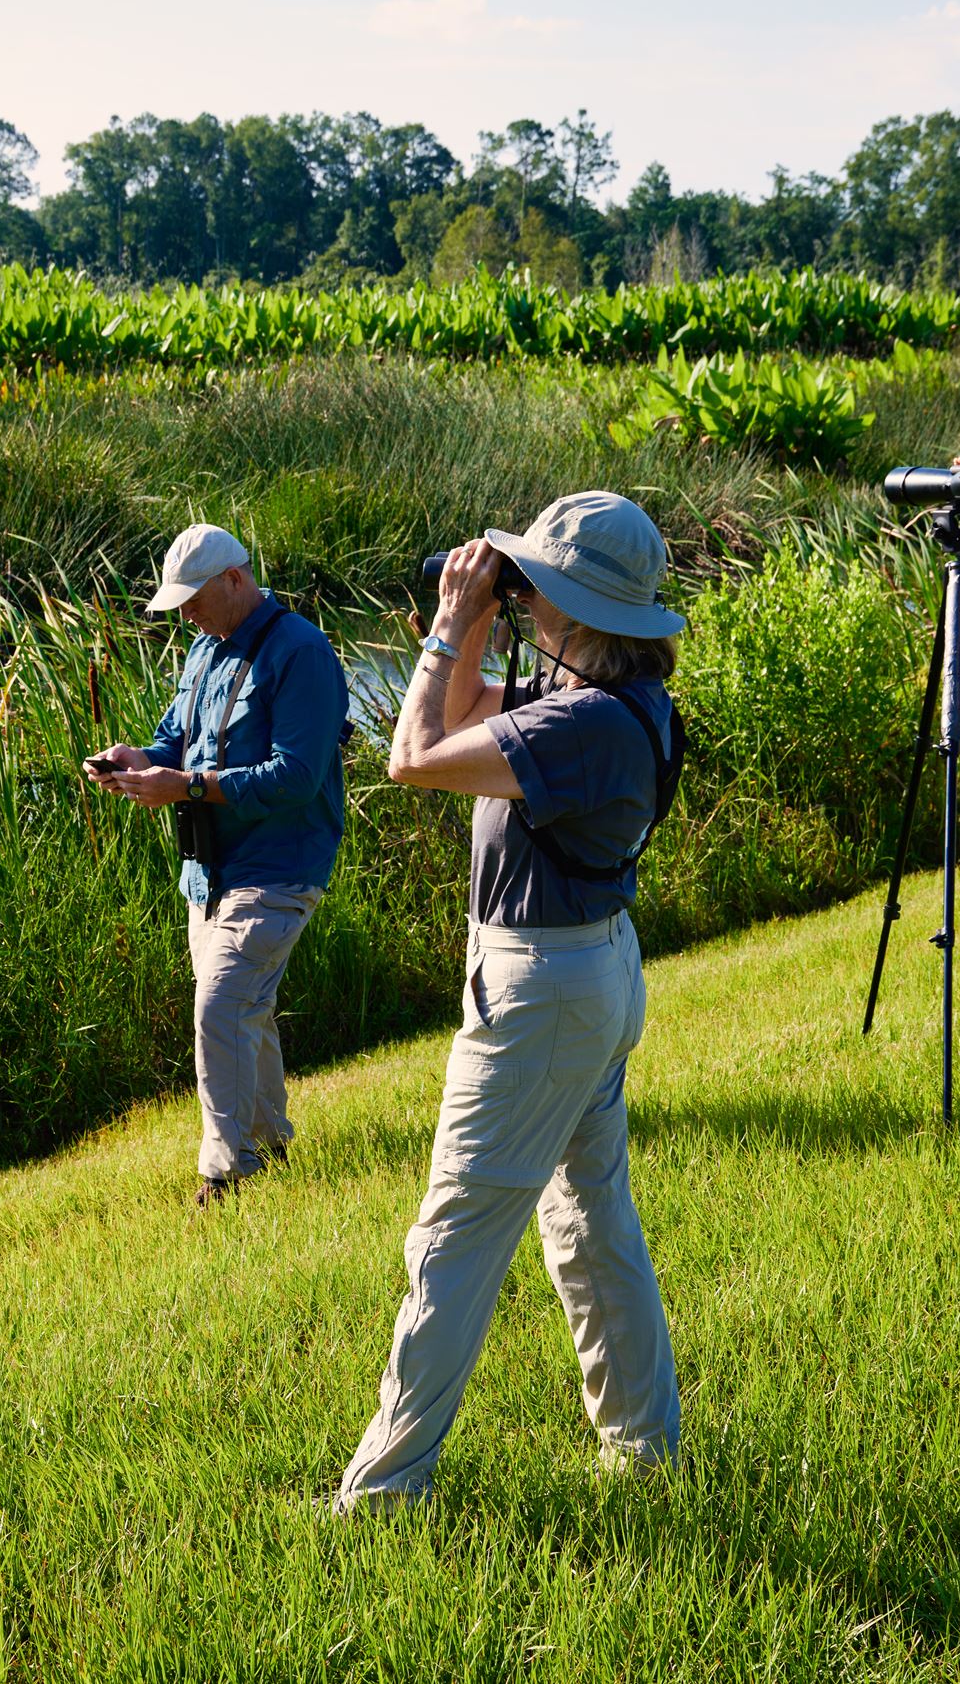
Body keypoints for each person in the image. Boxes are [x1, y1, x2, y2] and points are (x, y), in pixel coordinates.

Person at [333, 490, 685, 1512]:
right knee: (588, 1218)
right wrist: (473, 622)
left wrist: (452, 621)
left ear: (571, 607)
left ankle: (388, 1487)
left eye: (536, 584)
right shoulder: (607, 694)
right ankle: (641, 1444)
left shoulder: (579, 723)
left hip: (541, 992)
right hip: (588, 973)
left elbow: (410, 755)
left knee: (452, 1237)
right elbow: (450, 716)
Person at [88, 524, 348, 1205]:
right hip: (207, 870)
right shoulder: (203, 650)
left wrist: (189, 786)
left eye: (193, 600)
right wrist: (139, 761)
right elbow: (176, 738)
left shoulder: (302, 651)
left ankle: (226, 1172)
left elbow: (296, 776)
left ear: (235, 578)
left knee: (222, 1002)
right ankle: (272, 1143)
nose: (186, 616)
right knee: (245, 1007)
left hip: (280, 866)